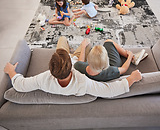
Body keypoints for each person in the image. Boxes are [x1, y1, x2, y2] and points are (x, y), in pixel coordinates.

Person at [4, 36, 142, 99]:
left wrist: (11, 71)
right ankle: (73, 50)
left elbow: (19, 85)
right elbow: (111, 90)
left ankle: (68, 48)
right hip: (73, 59)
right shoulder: (82, 81)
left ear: (51, 69)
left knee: (62, 39)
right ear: (71, 67)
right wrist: (132, 78)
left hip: (69, 60)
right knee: (81, 44)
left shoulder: (43, 79)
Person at [74, 39, 148, 82]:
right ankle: (132, 57)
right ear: (107, 61)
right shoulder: (111, 71)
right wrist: (129, 57)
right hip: (114, 64)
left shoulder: (79, 66)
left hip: (95, 68)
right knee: (108, 41)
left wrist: (83, 47)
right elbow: (124, 69)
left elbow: (80, 62)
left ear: (88, 59)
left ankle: (131, 56)